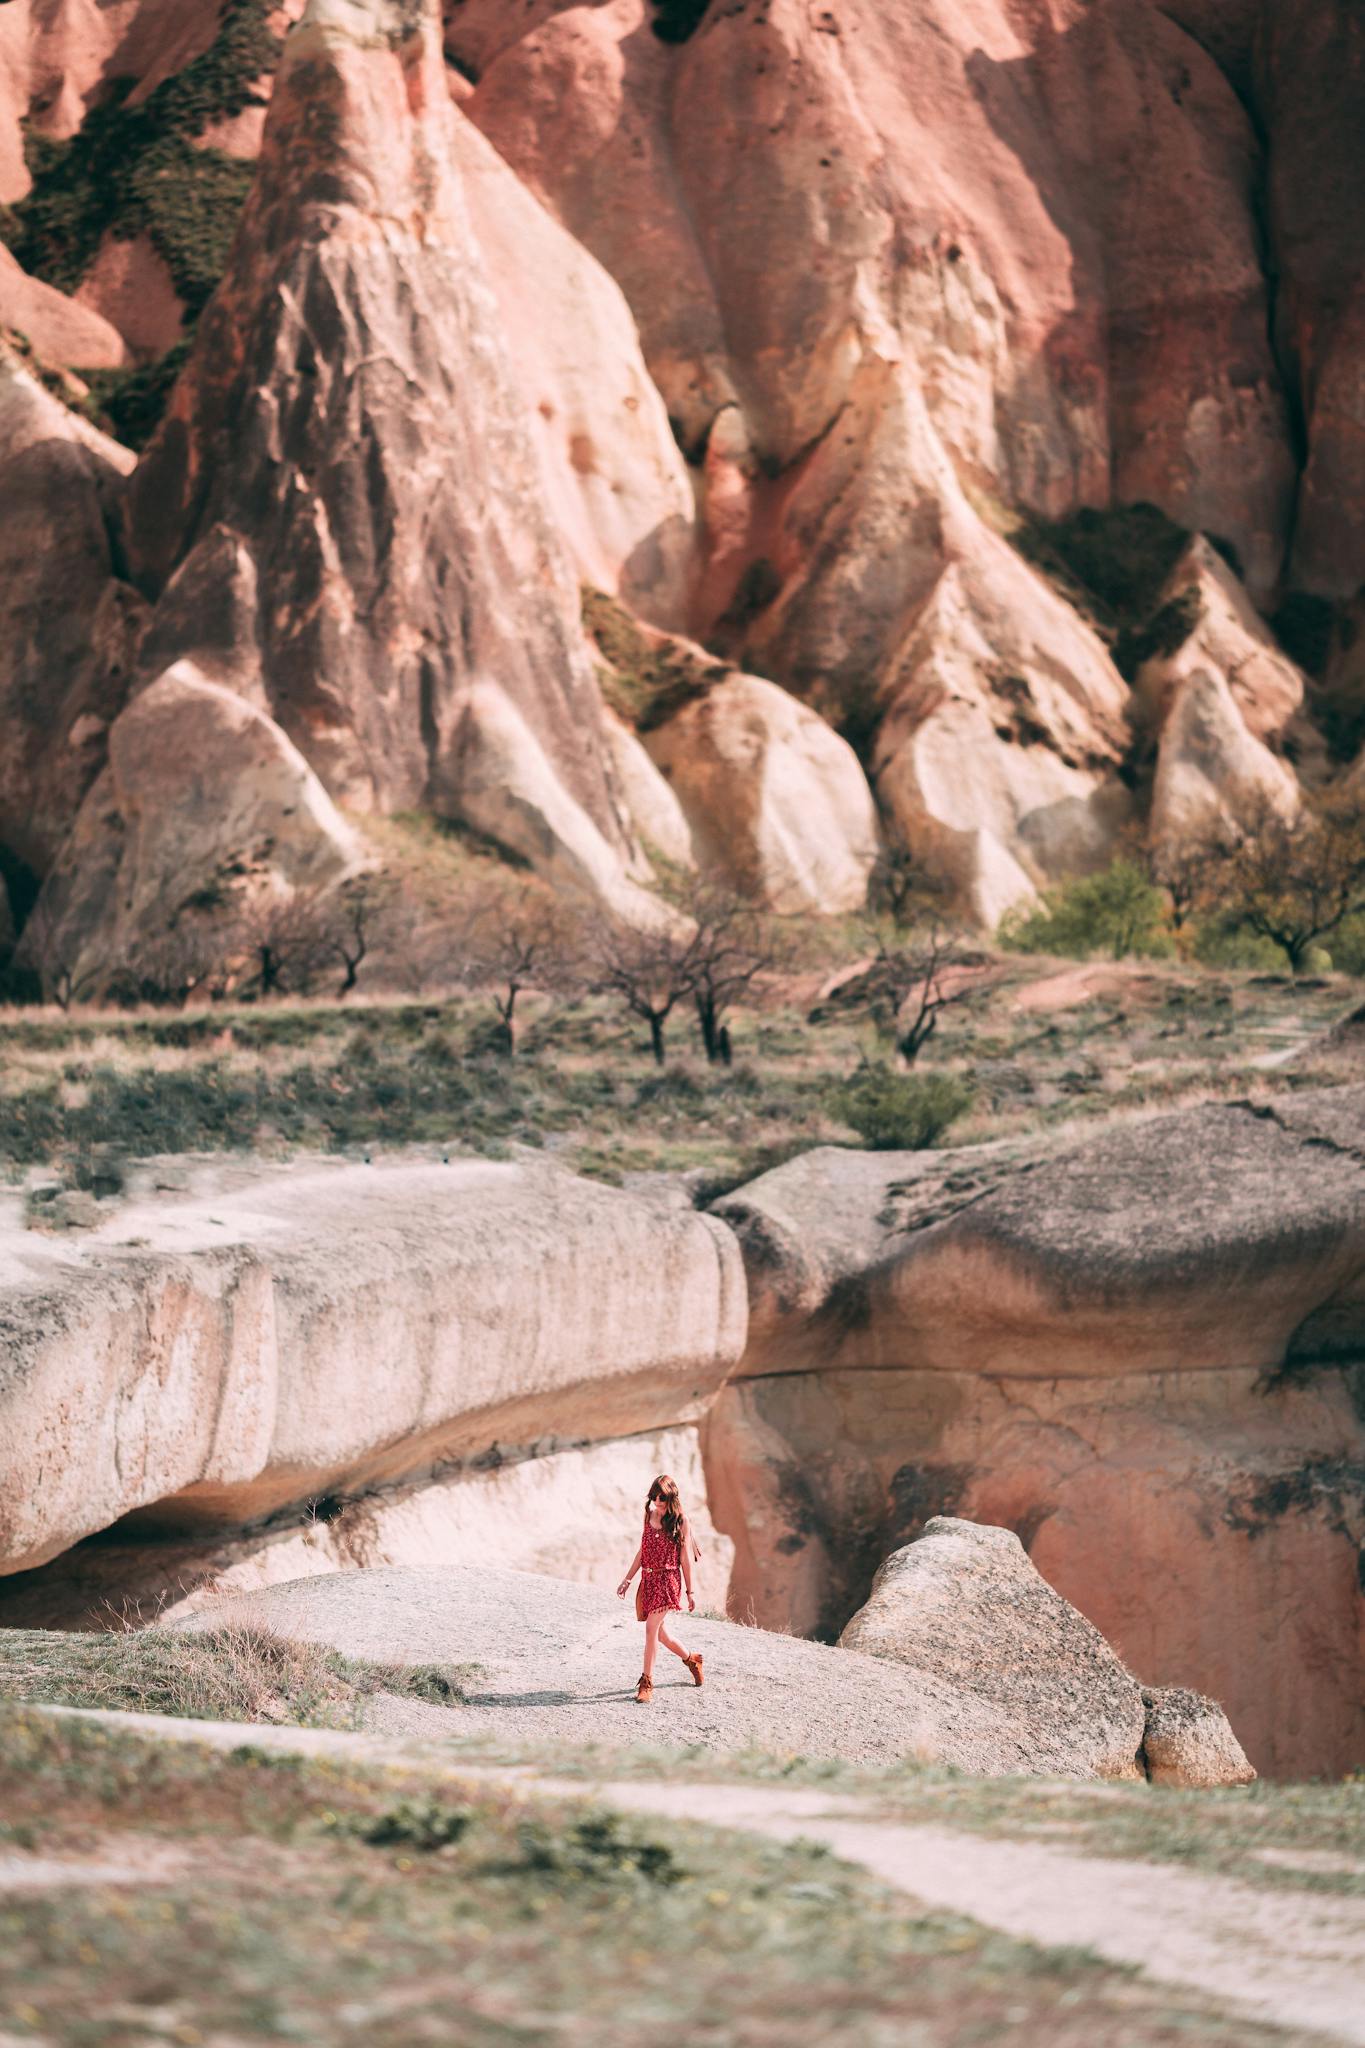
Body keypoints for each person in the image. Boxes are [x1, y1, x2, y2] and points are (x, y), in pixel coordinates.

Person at [616, 1473, 705, 1703]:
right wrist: (627, 1579)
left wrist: (690, 1592)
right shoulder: (649, 1515)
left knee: (650, 1630)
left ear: (671, 1497)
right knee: (662, 1635)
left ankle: (646, 1684)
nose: (657, 1501)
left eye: (661, 1497)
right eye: (654, 1497)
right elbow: (642, 1551)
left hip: (668, 1581)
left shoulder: (681, 1521)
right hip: (649, 1580)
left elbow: (685, 1559)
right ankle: (692, 1659)